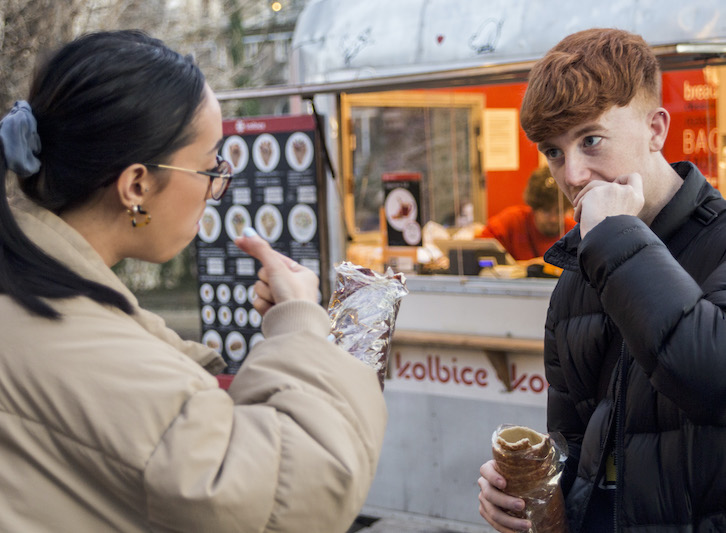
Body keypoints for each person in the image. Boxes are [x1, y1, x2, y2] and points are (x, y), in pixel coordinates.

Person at [0, 30, 387, 532]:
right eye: (210, 167)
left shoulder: (42, 284)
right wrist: (300, 327)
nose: (217, 188)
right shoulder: (73, 334)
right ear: (137, 185)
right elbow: (295, 491)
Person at [478, 27, 726, 532]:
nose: (572, 175)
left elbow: (711, 381)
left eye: (591, 140)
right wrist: (527, 489)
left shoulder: (718, 239)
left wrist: (616, 238)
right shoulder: (576, 275)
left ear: (655, 129)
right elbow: (571, 440)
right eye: (553, 152)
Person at [475, 166, 575, 261]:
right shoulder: (511, 222)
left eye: (559, 211)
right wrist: (526, 267)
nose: (553, 219)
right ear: (533, 207)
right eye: (546, 211)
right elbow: (478, 252)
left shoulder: (575, 232)